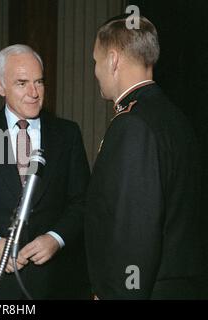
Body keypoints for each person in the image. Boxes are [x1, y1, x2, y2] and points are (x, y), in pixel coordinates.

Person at [0, 44, 91, 299]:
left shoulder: (66, 134)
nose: (34, 93)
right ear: (1, 87)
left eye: (39, 82)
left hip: (54, 284)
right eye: (22, 83)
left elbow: (83, 201)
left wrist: (56, 238)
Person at [85, 15, 204, 299]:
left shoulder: (133, 124)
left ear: (113, 60)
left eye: (95, 61)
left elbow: (134, 231)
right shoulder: (174, 117)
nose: (96, 71)